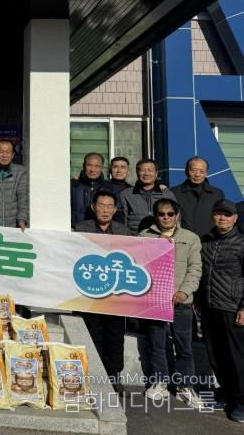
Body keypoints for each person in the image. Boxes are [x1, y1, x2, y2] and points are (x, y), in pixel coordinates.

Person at [139, 198, 203, 407]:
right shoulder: (144, 236)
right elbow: (139, 265)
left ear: (177, 215)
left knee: (184, 346)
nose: (165, 217)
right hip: (155, 300)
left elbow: (195, 268)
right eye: (161, 214)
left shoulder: (190, 238)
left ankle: (186, 386)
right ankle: (160, 382)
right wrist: (154, 246)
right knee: (157, 343)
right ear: (155, 216)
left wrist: (184, 292)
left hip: (181, 301)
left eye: (170, 214)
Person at [75, 190, 131, 391]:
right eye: (101, 205)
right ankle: (94, 376)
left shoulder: (124, 232)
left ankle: (114, 377)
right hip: (89, 292)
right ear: (93, 207)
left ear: (115, 210)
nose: (105, 210)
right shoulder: (81, 229)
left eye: (109, 206)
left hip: (115, 295)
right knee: (93, 334)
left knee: (115, 337)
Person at [199, 200, 244, 422]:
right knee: (216, 357)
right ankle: (226, 394)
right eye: (218, 213)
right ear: (212, 216)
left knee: (237, 359)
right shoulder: (206, 241)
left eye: (227, 214)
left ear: (235, 218)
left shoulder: (242, 243)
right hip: (210, 307)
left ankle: (241, 403)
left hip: (232, 308)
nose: (222, 218)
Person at [171, 157, 225, 238]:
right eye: (193, 170)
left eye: (202, 171)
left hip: (210, 241)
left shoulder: (217, 194)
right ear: (186, 171)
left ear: (206, 173)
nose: (197, 175)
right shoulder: (174, 193)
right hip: (183, 240)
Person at [119, 158, 175, 233]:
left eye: (150, 170)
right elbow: (123, 221)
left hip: (162, 236)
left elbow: (176, 218)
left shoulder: (166, 194)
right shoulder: (126, 194)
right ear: (137, 173)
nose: (146, 173)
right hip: (135, 237)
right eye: (142, 170)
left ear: (156, 173)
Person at [71, 152, 117, 228]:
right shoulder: (72, 186)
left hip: (99, 232)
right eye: (89, 165)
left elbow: (116, 214)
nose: (92, 169)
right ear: (83, 166)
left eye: (97, 166)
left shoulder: (110, 188)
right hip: (75, 230)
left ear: (102, 167)